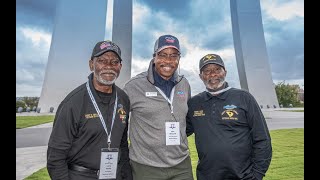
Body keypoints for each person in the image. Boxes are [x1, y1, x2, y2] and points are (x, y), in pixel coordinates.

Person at [47, 40, 132, 180]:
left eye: (114, 62)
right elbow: (55, 156)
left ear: (120, 66)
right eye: (102, 61)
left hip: (114, 174)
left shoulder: (123, 99)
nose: (108, 66)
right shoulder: (73, 102)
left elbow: (122, 145)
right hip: (80, 175)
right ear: (91, 64)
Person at [186, 53, 272, 180]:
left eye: (217, 69)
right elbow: (181, 131)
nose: (213, 74)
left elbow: (262, 139)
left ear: (225, 72)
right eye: (207, 71)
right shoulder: (194, 103)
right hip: (207, 176)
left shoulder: (244, 97)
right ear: (201, 76)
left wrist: (258, 174)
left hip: (243, 176)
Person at [123, 35, 194, 180]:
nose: (168, 61)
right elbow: (119, 122)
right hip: (146, 167)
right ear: (154, 56)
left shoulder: (184, 84)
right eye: (163, 55)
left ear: (179, 59)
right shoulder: (134, 86)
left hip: (181, 165)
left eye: (174, 56)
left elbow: (186, 119)